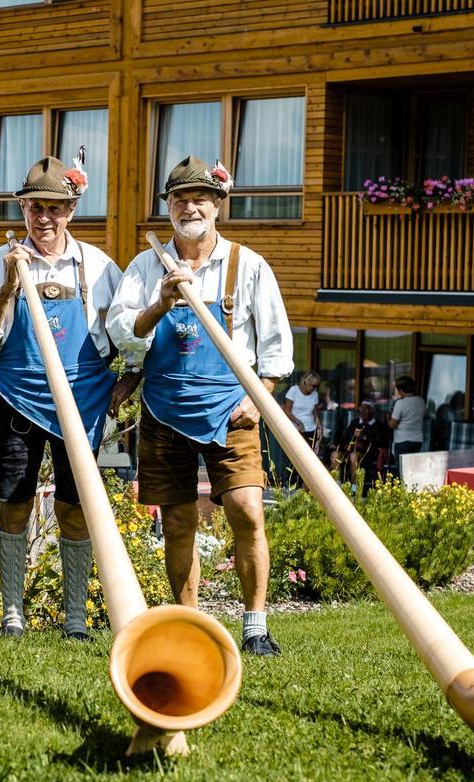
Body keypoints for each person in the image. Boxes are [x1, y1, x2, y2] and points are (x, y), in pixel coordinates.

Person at [108, 155, 293, 656]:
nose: (189, 207)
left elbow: (277, 351)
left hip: (232, 409)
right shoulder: (147, 265)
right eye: (179, 199)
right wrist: (161, 304)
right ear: (167, 206)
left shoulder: (247, 265)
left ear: (217, 206)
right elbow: (122, 331)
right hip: (164, 410)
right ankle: (189, 624)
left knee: (247, 511)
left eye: (199, 198)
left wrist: (262, 399)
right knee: (178, 521)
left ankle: (255, 626)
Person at [0, 155, 122, 640]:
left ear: (70, 211)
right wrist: (10, 285)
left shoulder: (98, 266)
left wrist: (125, 384)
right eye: (35, 208)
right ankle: (13, 612)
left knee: (78, 506)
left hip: (83, 402)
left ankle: (75, 617)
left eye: (54, 208)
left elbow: (126, 334)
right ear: (24, 210)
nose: (44, 218)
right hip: (19, 396)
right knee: (13, 502)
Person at [335, 400, 388, 490]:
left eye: (366, 409)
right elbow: (345, 438)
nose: (363, 412)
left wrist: (364, 437)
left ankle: (354, 488)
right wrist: (336, 445)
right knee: (335, 455)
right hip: (349, 450)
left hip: (367, 454)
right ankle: (337, 485)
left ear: (372, 412)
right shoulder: (355, 422)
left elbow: (380, 442)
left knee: (353, 456)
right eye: (361, 409)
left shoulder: (377, 425)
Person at [388, 375, 425, 458]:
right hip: (418, 441)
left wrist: (388, 418)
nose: (395, 391)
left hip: (402, 441)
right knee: (413, 467)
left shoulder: (400, 403)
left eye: (396, 389)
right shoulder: (421, 401)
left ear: (401, 390)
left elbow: (393, 425)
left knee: (402, 469)